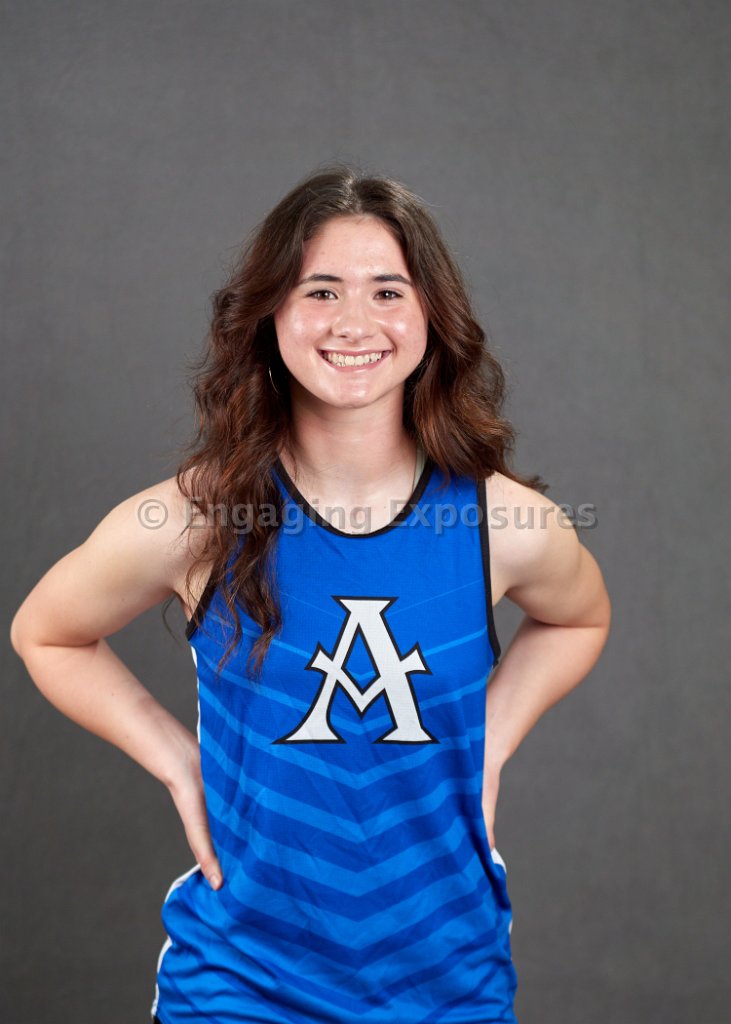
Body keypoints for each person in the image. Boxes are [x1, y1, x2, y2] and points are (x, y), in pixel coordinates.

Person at [10, 165, 611, 1024]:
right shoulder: (198, 517)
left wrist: (491, 746)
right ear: (270, 315)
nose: (353, 322)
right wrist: (181, 766)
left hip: (449, 981)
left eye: (387, 291)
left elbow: (578, 618)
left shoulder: (498, 522)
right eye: (320, 290)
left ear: (431, 316)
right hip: (239, 983)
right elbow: (46, 631)